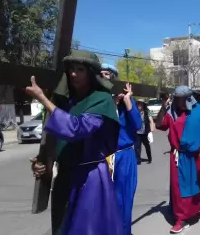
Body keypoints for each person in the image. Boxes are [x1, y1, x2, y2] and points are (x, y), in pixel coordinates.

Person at [28, 50, 124, 235]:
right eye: (71, 69)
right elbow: (58, 140)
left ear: (90, 72)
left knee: (86, 230)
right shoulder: (68, 102)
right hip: (64, 178)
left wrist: (42, 98)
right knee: (62, 228)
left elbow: (76, 129)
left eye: (80, 69)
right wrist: (43, 162)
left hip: (89, 178)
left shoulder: (101, 100)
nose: (73, 74)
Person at [156, 86, 200, 234]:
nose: (178, 102)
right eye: (176, 99)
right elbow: (159, 125)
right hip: (178, 156)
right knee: (179, 188)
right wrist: (164, 106)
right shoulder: (171, 112)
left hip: (198, 155)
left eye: (181, 99)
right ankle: (181, 218)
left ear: (188, 99)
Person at [101, 63, 142, 235]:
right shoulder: (99, 101)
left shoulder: (126, 102)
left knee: (123, 199)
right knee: (103, 200)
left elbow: (138, 125)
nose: (103, 77)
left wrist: (125, 100)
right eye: (100, 74)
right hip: (103, 157)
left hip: (124, 157)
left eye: (106, 74)